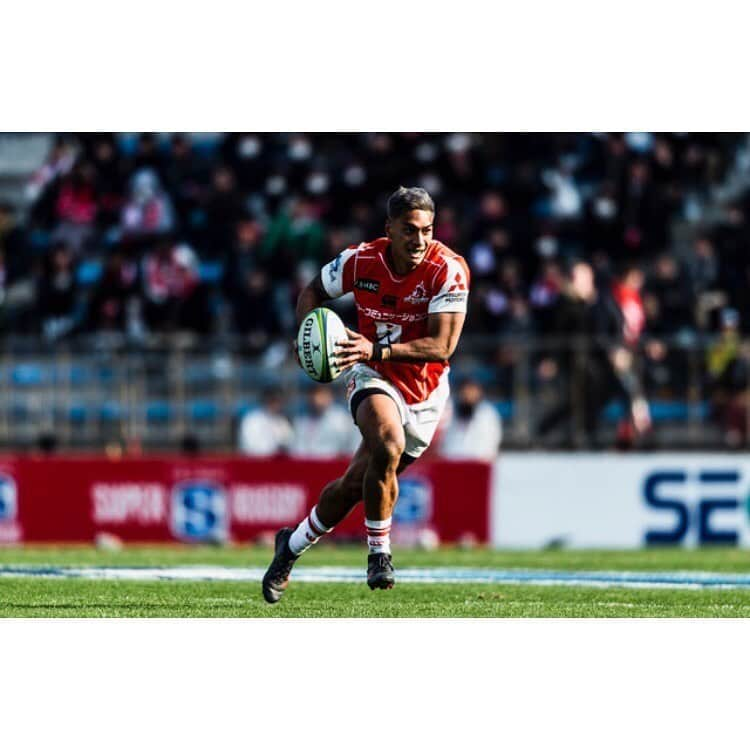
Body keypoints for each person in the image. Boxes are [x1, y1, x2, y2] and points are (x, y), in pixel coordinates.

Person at [262, 186, 470, 601]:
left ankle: (291, 545)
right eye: (410, 230)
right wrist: (308, 334)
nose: (419, 240)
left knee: (355, 484)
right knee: (387, 444)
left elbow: (443, 345)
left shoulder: (448, 269)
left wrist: (376, 346)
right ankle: (380, 555)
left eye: (427, 230)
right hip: (369, 372)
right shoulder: (360, 260)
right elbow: (312, 292)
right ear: (389, 228)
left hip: (424, 391)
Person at [289, 384, 360, 459]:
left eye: (321, 395)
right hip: (305, 465)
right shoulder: (301, 421)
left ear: (330, 397)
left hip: (334, 466)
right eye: (313, 395)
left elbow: (351, 450)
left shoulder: (342, 420)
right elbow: (296, 449)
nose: (316, 399)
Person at [439, 378, 502, 460]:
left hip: (478, 460)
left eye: (471, 391)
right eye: (465, 391)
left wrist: (487, 457)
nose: (468, 395)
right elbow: (442, 436)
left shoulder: (487, 413)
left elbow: (493, 438)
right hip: (452, 459)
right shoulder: (450, 410)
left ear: (479, 393)